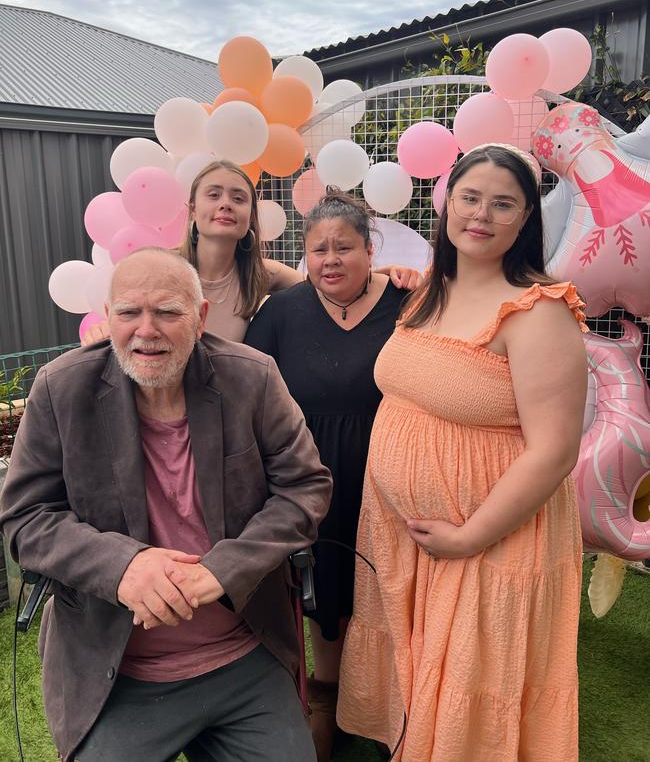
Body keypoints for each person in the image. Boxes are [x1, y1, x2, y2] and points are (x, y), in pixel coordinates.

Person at [0, 247, 332, 762]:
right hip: (120, 671)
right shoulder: (60, 390)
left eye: (168, 312)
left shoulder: (252, 377)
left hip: (242, 653)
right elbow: (25, 517)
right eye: (129, 312)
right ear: (108, 318)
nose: (146, 330)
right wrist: (122, 566)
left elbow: (305, 487)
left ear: (199, 319)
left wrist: (225, 569)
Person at [337, 144, 589, 762]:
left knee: (475, 692)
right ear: (447, 204)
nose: (481, 215)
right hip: (408, 535)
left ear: (526, 219)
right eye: (470, 197)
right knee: (421, 680)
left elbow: (554, 453)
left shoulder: (540, 312)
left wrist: (470, 535)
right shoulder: (425, 291)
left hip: (487, 538)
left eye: (503, 204)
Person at [245, 191, 411, 762]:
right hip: (306, 471)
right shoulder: (281, 313)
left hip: (389, 469)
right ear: (304, 255)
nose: (331, 260)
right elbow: (249, 385)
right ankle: (327, 699)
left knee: (387, 585)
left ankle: (395, 702)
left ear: (371, 251)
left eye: (345, 247)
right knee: (324, 591)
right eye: (319, 250)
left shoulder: (411, 301)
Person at [83, 160, 418, 345]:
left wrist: (381, 276)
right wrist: (102, 330)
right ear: (192, 210)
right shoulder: (162, 268)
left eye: (239, 198)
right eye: (213, 195)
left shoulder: (262, 273)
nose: (226, 203)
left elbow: (325, 281)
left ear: (249, 218)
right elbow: (123, 317)